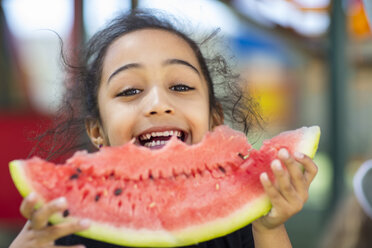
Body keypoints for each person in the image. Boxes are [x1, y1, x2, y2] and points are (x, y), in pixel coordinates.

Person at [9, 9, 318, 248]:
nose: (158, 103)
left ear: (214, 119)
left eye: (181, 86)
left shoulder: (246, 223)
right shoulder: (67, 225)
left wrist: (270, 228)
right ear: (96, 132)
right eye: (129, 91)